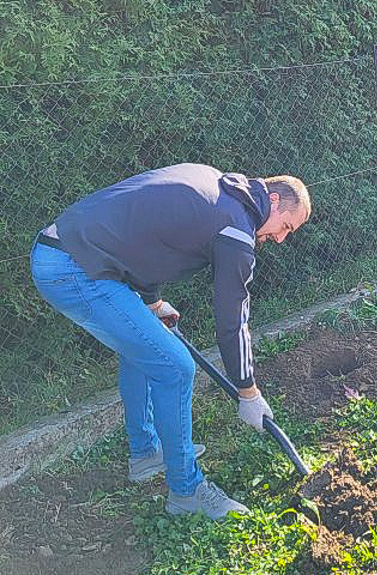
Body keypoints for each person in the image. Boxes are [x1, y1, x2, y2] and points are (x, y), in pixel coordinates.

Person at [30, 163, 311, 519]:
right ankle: (187, 491)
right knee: (176, 368)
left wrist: (153, 303)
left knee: (145, 348)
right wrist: (248, 391)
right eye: (285, 226)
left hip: (67, 251)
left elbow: (147, 240)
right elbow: (231, 320)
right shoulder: (237, 230)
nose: (281, 238)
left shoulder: (216, 187)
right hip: (74, 268)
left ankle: (146, 453)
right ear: (272, 199)